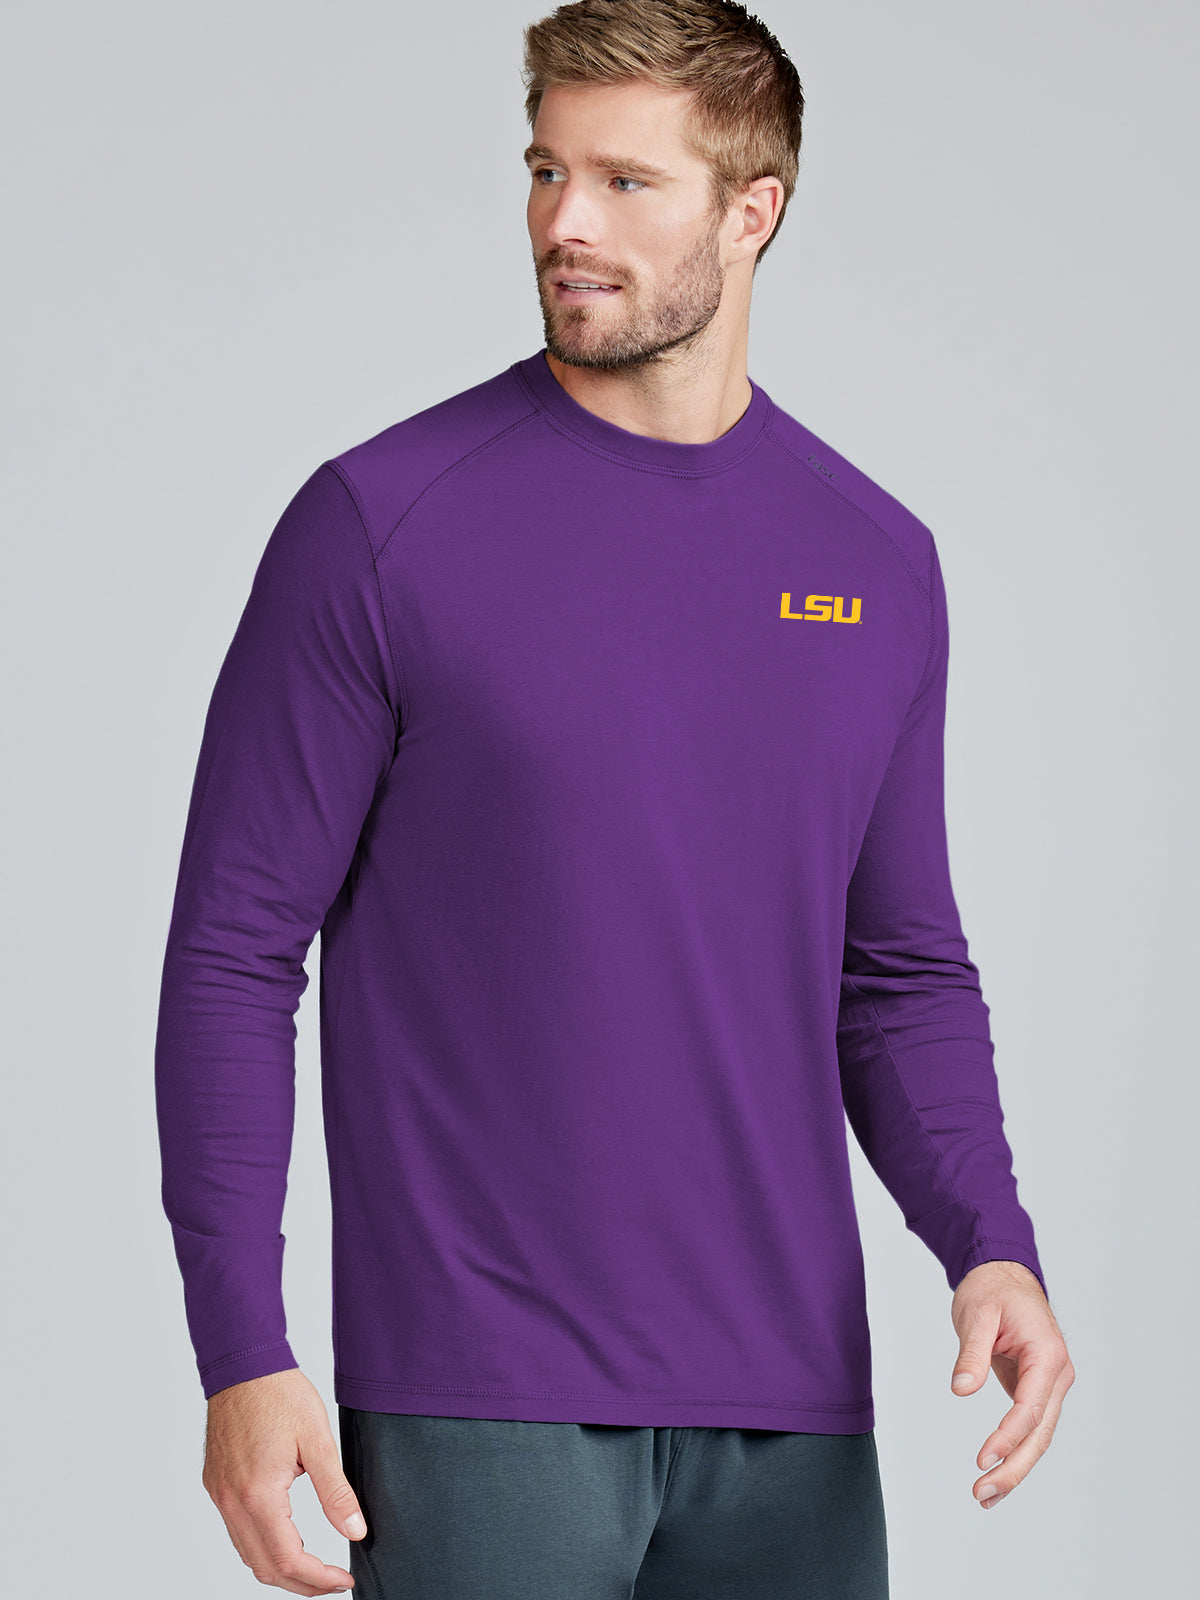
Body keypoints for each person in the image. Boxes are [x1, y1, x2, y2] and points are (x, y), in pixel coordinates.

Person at [154, 2, 1076, 1595]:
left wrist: (990, 1240)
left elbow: (895, 970)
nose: (563, 223)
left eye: (624, 182)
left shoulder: (873, 561)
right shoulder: (381, 526)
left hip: (790, 1419)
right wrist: (242, 1347)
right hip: (477, 1403)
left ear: (752, 210)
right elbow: (233, 951)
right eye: (545, 171)